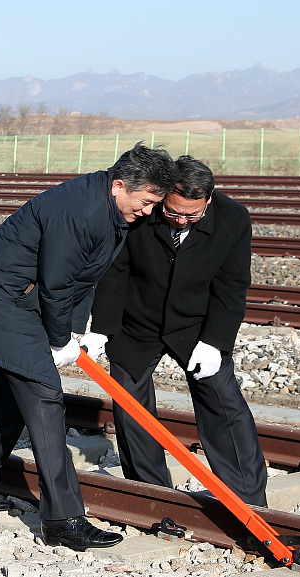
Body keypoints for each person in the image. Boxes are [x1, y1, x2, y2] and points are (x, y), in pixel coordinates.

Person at [0, 143, 176, 551]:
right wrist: (60, 339)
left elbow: (85, 277)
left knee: (15, 398)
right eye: (147, 201)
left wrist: (74, 333)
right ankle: (63, 519)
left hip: (20, 303)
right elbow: (59, 284)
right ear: (119, 185)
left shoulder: (107, 205)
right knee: (46, 399)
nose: (149, 211)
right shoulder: (81, 211)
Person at [82, 156, 267, 506]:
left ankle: (249, 499)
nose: (181, 220)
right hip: (137, 320)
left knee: (224, 403)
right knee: (131, 406)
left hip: (195, 324)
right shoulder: (142, 211)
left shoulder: (234, 219)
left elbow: (232, 286)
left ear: (208, 201)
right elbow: (114, 271)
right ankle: (151, 493)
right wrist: (102, 329)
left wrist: (215, 343)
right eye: (173, 212)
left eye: (192, 215)